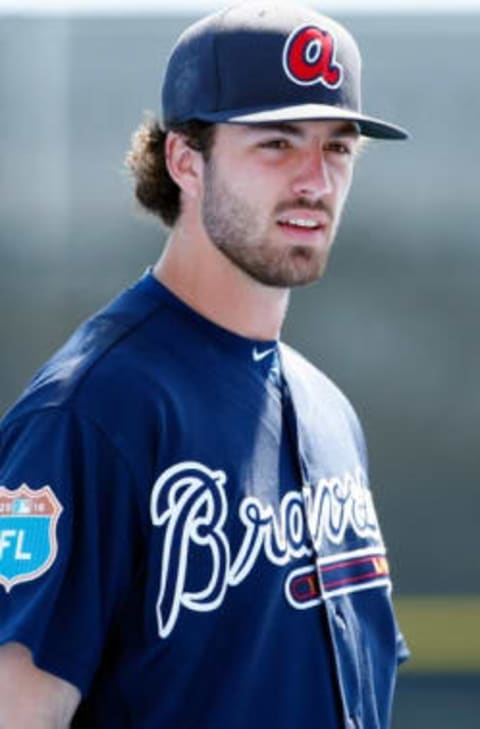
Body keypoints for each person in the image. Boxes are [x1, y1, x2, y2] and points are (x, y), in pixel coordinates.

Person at [0, 3, 410, 728]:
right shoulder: (92, 413)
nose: (316, 179)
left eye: (338, 147)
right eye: (278, 143)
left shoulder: (330, 411)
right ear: (185, 160)